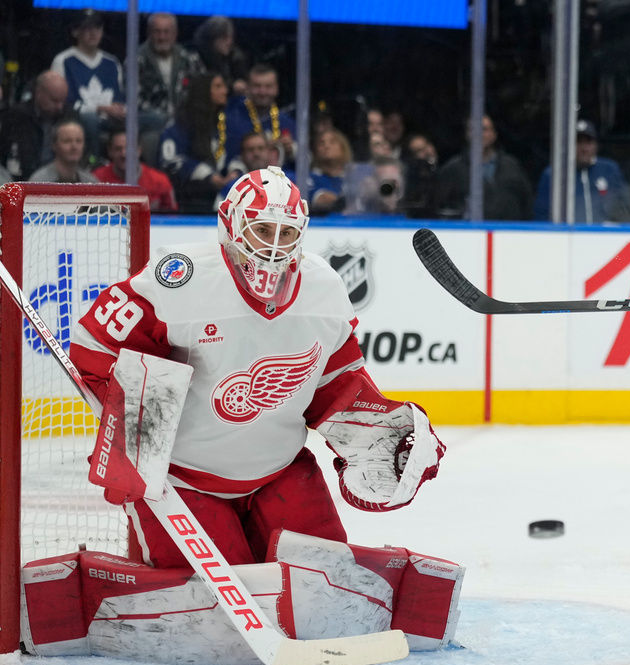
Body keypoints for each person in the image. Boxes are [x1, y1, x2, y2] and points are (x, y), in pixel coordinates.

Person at [70, 166, 445, 569]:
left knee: (325, 586)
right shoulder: (181, 278)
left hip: (279, 474)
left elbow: (336, 383)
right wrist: (133, 434)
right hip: (182, 482)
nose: (273, 248)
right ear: (231, 224)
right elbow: (95, 345)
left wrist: (382, 434)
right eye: (263, 230)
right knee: (210, 615)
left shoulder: (324, 288)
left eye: (286, 234)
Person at [160, 72, 243, 212]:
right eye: (218, 86)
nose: (225, 91)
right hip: (189, 200)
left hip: (224, 195)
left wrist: (234, 172)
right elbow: (170, 161)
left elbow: (237, 153)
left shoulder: (227, 122)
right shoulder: (181, 123)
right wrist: (207, 176)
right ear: (203, 91)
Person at [50, 9, 126, 160]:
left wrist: (123, 110)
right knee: (90, 118)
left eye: (97, 28)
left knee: (151, 119)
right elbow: (63, 103)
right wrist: (100, 108)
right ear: (75, 32)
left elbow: (120, 97)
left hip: (112, 120)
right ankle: (93, 163)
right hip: (79, 118)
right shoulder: (64, 60)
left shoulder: (112, 62)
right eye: (87, 28)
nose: (93, 33)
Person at [433, 114, 533, 220]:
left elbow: (527, 202)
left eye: (484, 129)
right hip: (469, 233)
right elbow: (439, 207)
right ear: (467, 134)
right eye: (473, 130)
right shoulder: (453, 169)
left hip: (510, 233)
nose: (479, 134)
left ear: (494, 135)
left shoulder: (512, 166)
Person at [533, 120, 628, 223]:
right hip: (567, 237)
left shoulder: (609, 170)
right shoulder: (553, 175)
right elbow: (541, 217)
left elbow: (625, 208)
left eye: (588, 142)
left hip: (605, 237)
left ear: (596, 145)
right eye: (578, 142)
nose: (584, 148)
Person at [136, 12, 201, 158]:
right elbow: (133, 100)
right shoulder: (137, 59)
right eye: (157, 32)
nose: (162, 37)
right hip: (153, 124)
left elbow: (201, 91)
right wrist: (163, 117)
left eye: (166, 32)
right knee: (151, 140)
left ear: (175, 33)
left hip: (185, 121)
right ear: (149, 33)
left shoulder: (189, 59)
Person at [0, 71, 72, 180]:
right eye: (54, 100)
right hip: (22, 177)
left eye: (62, 101)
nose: (59, 107)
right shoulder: (16, 116)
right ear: (39, 93)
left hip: (59, 178)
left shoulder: (69, 117)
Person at [225, 64, 297, 167]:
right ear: (248, 87)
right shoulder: (232, 119)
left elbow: (306, 162)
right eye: (257, 86)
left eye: (268, 86)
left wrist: (291, 150)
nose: (262, 92)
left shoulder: (288, 123)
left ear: (276, 88)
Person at [93, 130, 178, 212]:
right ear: (110, 151)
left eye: (129, 148)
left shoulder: (160, 181)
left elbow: (174, 219)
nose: (124, 154)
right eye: (118, 149)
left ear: (139, 151)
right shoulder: (96, 180)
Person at [191, 15, 250, 96]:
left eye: (231, 37)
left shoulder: (235, 58)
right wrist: (232, 87)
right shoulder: (196, 59)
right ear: (212, 39)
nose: (229, 42)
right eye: (224, 38)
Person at [28, 119, 98, 183]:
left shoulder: (91, 182)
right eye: (67, 141)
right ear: (54, 145)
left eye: (79, 141)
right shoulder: (39, 181)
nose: (74, 146)